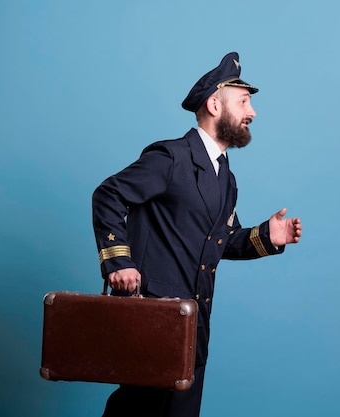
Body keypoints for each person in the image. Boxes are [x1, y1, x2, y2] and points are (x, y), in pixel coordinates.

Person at [91, 52, 302, 417]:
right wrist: (119, 262)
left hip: (194, 326)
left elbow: (222, 240)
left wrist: (268, 236)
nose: (252, 113)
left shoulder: (227, 179)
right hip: (154, 320)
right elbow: (109, 195)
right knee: (138, 412)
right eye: (244, 101)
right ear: (214, 104)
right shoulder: (171, 157)